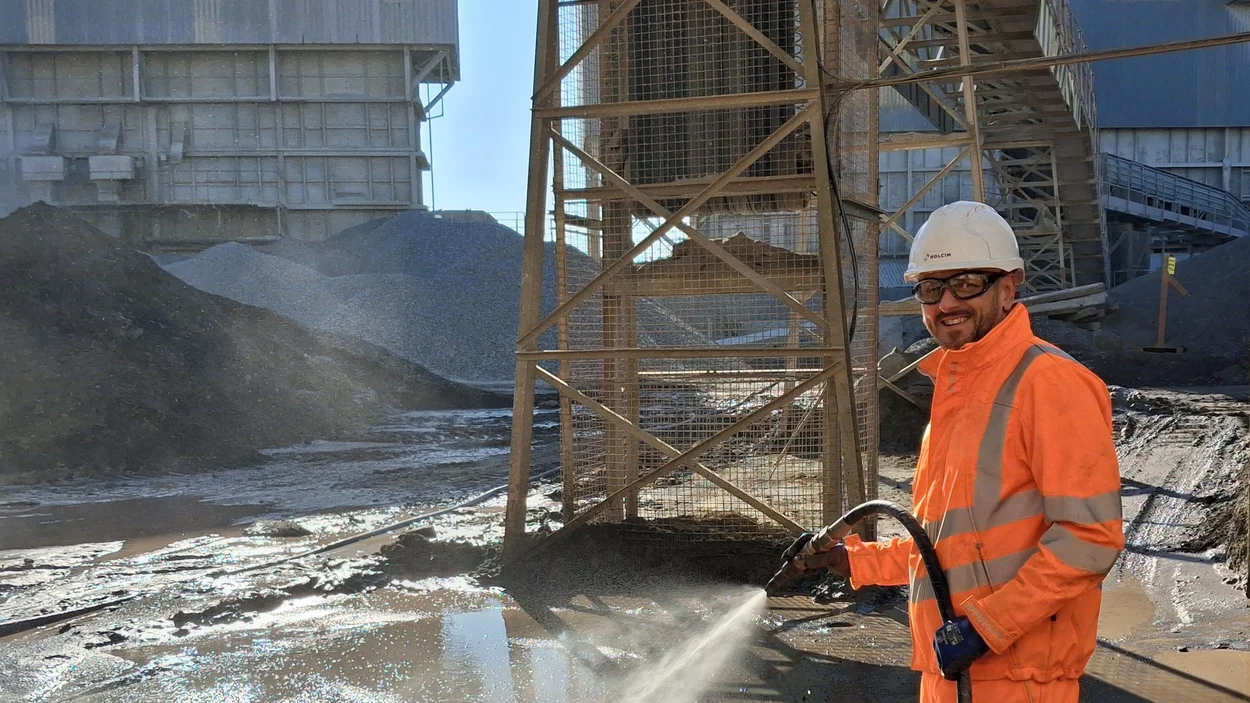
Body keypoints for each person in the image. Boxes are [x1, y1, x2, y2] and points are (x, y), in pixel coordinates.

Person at [797, 201, 1125, 703]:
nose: (947, 302)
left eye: (967, 282)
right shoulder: (958, 394)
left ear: (1008, 287)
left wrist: (987, 627)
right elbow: (946, 545)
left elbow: (1090, 539)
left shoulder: (1050, 382)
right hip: (952, 670)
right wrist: (853, 561)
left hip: (1017, 679)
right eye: (931, 288)